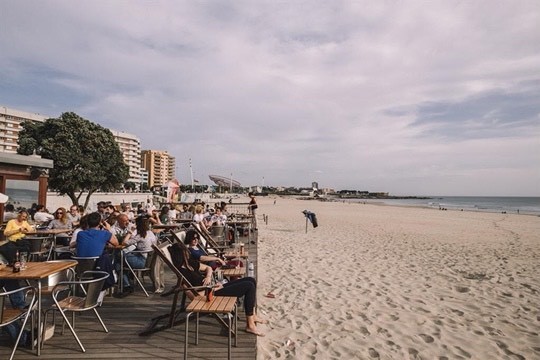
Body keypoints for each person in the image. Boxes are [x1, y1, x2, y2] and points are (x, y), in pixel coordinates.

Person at [169, 242, 266, 336]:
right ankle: (250, 325)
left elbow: (208, 268)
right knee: (248, 286)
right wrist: (212, 288)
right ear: (180, 255)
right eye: (185, 252)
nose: (188, 253)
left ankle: (252, 315)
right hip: (209, 295)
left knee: (250, 280)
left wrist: (208, 277)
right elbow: (194, 297)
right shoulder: (182, 274)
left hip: (214, 287)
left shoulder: (190, 264)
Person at [116, 215, 157, 294]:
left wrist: (130, 232)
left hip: (141, 261)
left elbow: (124, 243)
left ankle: (126, 285)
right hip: (148, 260)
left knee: (119, 257)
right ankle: (127, 283)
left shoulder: (141, 235)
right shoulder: (151, 233)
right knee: (120, 262)